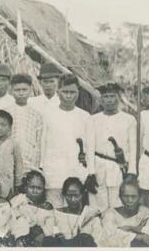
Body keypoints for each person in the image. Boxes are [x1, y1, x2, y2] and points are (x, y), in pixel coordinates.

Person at [40, 74, 95, 208]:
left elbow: (90, 146)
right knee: (54, 211)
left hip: (76, 173)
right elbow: (42, 143)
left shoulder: (85, 116)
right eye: (65, 92)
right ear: (58, 92)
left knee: (74, 214)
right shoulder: (47, 114)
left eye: (72, 92)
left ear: (78, 93)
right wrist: (41, 167)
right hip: (53, 173)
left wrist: (90, 172)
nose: (69, 96)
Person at [86, 82, 137, 211]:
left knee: (118, 205)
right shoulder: (93, 120)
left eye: (112, 96)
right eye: (105, 97)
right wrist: (91, 172)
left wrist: (131, 172)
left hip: (118, 168)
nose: (109, 100)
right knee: (97, 206)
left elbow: (133, 147)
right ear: (101, 99)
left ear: (118, 97)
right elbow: (90, 147)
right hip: (98, 167)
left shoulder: (129, 119)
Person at [5, 74, 44, 174]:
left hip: (30, 162)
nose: (21, 93)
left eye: (24, 89)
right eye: (17, 90)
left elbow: (39, 141)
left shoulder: (37, 114)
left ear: (30, 90)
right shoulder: (6, 112)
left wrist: (38, 164)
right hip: (10, 162)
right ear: (11, 91)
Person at [100, 179, 149, 247]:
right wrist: (136, 234)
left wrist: (127, 229)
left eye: (133, 196)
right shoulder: (110, 214)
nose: (130, 200)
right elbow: (108, 235)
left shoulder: (145, 212)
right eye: (126, 196)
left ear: (139, 197)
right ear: (120, 197)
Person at [11, 170, 57, 247]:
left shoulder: (47, 207)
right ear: (26, 187)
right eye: (32, 187)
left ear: (43, 190)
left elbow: (50, 227)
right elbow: (12, 214)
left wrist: (42, 232)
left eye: (39, 188)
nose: (35, 191)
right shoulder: (19, 200)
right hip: (20, 238)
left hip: (38, 240)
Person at [52, 177, 102, 246]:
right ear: (64, 195)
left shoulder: (91, 215)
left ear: (82, 194)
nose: (73, 199)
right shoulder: (57, 214)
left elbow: (98, 240)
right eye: (69, 195)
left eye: (76, 195)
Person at [138, 86, 149, 208]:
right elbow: (139, 141)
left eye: (145, 96)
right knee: (146, 195)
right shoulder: (144, 115)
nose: (143, 99)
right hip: (148, 159)